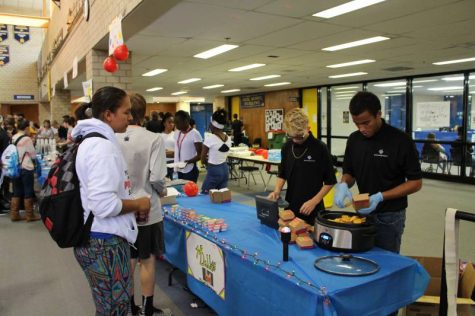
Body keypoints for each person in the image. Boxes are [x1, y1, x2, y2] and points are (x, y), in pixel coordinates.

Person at [71, 86, 151, 315]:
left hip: (102, 238)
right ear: (108, 114)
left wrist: (129, 208)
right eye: (126, 112)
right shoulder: (101, 147)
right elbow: (104, 205)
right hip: (104, 243)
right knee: (115, 308)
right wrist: (138, 204)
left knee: (111, 306)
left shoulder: (95, 141)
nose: (131, 117)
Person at [334, 91, 422, 254]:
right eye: (356, 123)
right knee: (362, 256)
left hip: (390, 215)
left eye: (366, 123)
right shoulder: (354, 139)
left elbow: (415, 183)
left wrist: (380, 196)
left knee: (387, 261)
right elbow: (349, 172)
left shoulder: (400, 140)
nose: (362, 129)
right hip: (362, 211)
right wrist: (343, 184)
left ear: (379, 115)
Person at [116, 93, 171, 316]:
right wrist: (163, 191)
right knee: (147, 259)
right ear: (144, 113)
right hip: (148, 207)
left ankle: (130, 306)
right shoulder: (154, 138)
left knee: (128, 259)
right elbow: (157, 177)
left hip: (122, 208)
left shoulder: (112, 138)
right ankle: (147, 308)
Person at [268, 108, 336, 225]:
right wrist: (277, 191)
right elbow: (282, 173)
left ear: (307, 128)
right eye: (291, 136)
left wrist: (314, 201)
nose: (295, 140)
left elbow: (330, 181)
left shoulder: (320, 148)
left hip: (312, 208)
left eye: (299, 136)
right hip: (291, 206)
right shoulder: (287, 147)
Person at [10, 119, 39, 222]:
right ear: (26, 128)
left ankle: (14, 214)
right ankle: (29, 215)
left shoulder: (13, 137)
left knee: (16, 191)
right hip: (26, 167)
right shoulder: (27, 139)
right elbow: (33, 155)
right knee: (28, 190)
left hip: (15, 168)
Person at [201, 109, 232, 193]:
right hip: (225, 169)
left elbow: (202, 159)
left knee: (205, 195)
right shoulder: (228, 138)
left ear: (212, 124)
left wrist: (208, 164)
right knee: (221, 196)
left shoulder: (209, 139)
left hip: (214, 170)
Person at [173, 110, 202, 182]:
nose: (175, 124)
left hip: (190, 169)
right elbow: (178, 150)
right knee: (179, 191)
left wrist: (189, 161)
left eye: (177, 122)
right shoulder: (177, 133)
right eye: (175, 122)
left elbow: (200, 155)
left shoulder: (195, 133)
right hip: (178, 169)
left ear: (186, 120)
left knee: (189, 192)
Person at [160, 112, 175, 179]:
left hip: (174, 163)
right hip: (163, 164)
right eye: (169, 122)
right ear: (164, 123)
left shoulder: (176, 135)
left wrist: (173, 152)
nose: (172, 124)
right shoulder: (159, 136)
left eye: (173, 122)